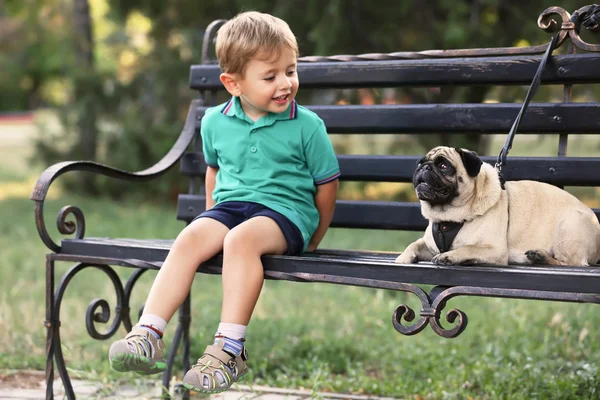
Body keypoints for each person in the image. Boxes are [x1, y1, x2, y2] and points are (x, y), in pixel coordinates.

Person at [107, 10, 340, 394]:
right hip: (231, 209)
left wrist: (313, 235)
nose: (285, 83)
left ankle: (230, 350)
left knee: (241, 241)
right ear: (233, 83)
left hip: (285, 214)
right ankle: (148, 333)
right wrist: (212, 217)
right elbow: (214, 172)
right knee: (190, 238)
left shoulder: (307, 125)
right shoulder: (215, 121)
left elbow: (327, 185)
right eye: (270, 76)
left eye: (290, 71)